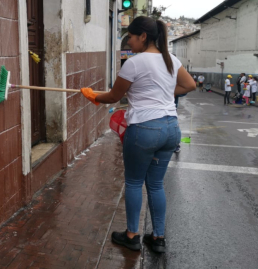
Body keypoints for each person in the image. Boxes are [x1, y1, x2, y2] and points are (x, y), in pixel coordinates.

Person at [80, 16, 196, 253]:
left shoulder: (134, 63)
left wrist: (92, 96)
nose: (129, 43)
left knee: (133, 182)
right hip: (171, 129)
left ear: (143, 36)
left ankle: (132, 235)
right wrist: (159, 91)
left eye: (130, 37)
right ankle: (158, 238)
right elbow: (189, 85)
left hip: (144, 128)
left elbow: (113, 97)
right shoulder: (172, 60)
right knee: (155, 184)